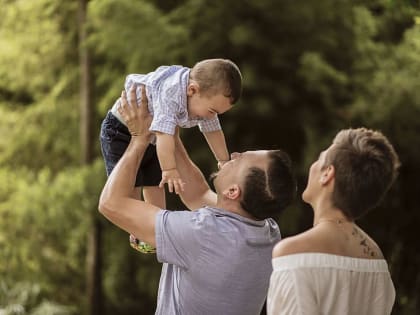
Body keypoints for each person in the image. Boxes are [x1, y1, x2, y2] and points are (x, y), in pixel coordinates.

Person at [98, 85, 296, 315]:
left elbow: (111, 203)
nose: (234, 155)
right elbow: (197, 194)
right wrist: (166, 126)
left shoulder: (204, 234)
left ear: (233, 192)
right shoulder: (267, 232)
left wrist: (139, 139)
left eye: (241, 160)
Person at [267, 127, 400, 315]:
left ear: (327, 173)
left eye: (319, 159)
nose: (312, 165)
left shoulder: (292, 253)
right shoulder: (377, 260)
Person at [100, 58, 242, 212]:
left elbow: (213, 130)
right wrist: (169, 169)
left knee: (155, 183)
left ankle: (154, 221)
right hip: (120, 130)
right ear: (192, 90)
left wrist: (223, 160)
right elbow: (164, 134)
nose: (211, 117)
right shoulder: (171, 92)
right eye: (212, 111)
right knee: (132, 183)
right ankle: (133, 219)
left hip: (154, 136)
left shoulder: (202, 98)